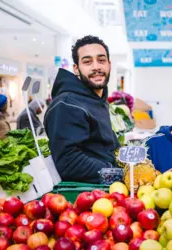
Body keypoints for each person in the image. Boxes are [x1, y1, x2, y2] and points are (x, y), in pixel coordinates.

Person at [44, 35, 120, 183]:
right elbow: (69, 162)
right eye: (87, 61)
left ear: (109, 64)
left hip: (107, 192)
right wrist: (117, 174)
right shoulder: (66, 105)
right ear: (76, 69)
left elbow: (105, 146)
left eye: (101, 60)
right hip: (86, 197)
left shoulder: (96, 99)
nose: (96, 66)